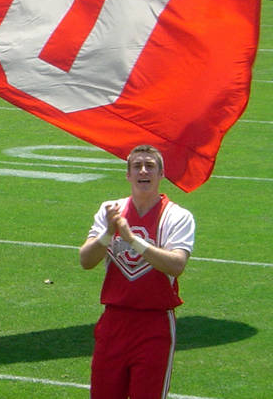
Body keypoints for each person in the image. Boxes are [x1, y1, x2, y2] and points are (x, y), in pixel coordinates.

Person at [78, 145, 195, 399]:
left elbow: (177, 265)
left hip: (154, 323)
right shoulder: (111, 210)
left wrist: (133, 241)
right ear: (128, 174)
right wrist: (109, 234)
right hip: (113, 321)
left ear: (162, 174)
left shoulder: (178, 216)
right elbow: (85, 260)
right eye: (137, 166)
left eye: (150, 166)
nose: (144, 171)